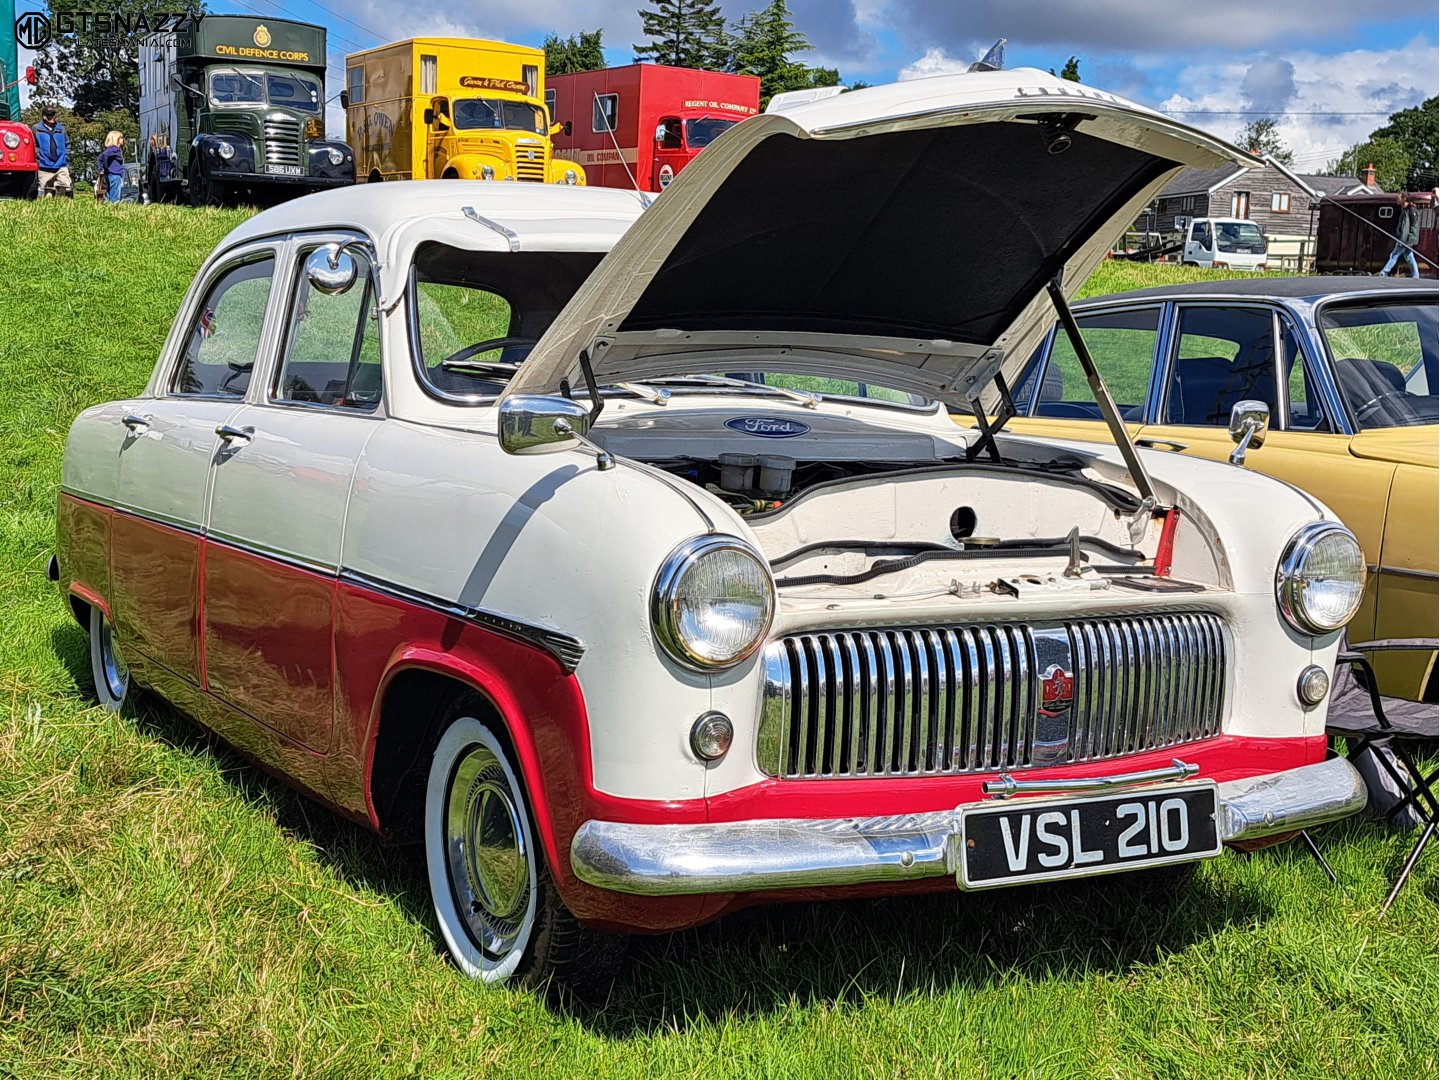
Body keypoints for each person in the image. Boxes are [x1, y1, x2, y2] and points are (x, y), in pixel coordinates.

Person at [1379, 193, 1421, 278]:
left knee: (1394, 255)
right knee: (1409, 256)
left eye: (1398, 198)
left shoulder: (1412, 210)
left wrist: (1409, 239)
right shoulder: (1404, 210)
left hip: (1405, 239)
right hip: (1402, 238)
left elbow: (1414, 227)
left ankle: (1384, 272)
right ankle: (1416, 274)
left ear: (1404, 199)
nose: (1397, 200)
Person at [33, 106, 72, 197]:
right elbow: (33, 145)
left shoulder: (61, 129)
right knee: (47, 192)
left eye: (53, 115)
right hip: (44, 165)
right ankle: (49, 206)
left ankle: (60, 204)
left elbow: (68, 144)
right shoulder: (36, 128)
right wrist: (38, 156)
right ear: (44, 116)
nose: (52, 117)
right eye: (49, 115)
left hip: (60, 164)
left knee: (64, 184)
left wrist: (66, 157)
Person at [95, 131, 126, 203]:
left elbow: (99, 158)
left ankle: (109, 208)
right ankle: (114, 209)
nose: (123, 139)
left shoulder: (111, 149)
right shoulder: (114, 149)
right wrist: (106, 167)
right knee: (115, 198)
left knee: (110, 194)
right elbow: (105, 155)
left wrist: (102, 169)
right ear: (116, 139)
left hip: (109, 174)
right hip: (115, 175)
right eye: (121, 137)